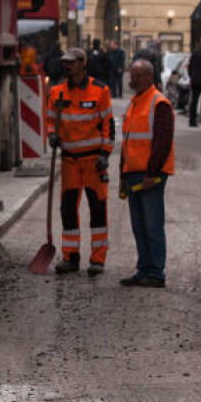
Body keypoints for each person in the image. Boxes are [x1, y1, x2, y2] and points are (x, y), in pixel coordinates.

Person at [45, 47, 114, 276]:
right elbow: (50, 119)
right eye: (65, 62)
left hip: (94, 161)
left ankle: (97, 260)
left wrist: (105, 153)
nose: (67, 66)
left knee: (97, 211)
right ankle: (70, 258)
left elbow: (108, 125)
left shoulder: (100, 90)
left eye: (72, 62)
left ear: (82, 64)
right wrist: (51, 134)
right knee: (68, 210)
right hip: (69, 162)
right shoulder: (57, 92)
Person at [118, 59, 174, 288]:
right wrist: (122, 175)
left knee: (152, 225)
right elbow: (128, 143)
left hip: (150, 175)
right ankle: (143, 270)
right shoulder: (135, 103)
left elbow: (162, 142)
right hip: (133, 173)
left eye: (140, 75)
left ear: (150, 77)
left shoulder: (158, 103)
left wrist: (152, 172)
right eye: (133, 75)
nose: (135, 79)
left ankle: (155, 273)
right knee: (139, 226)